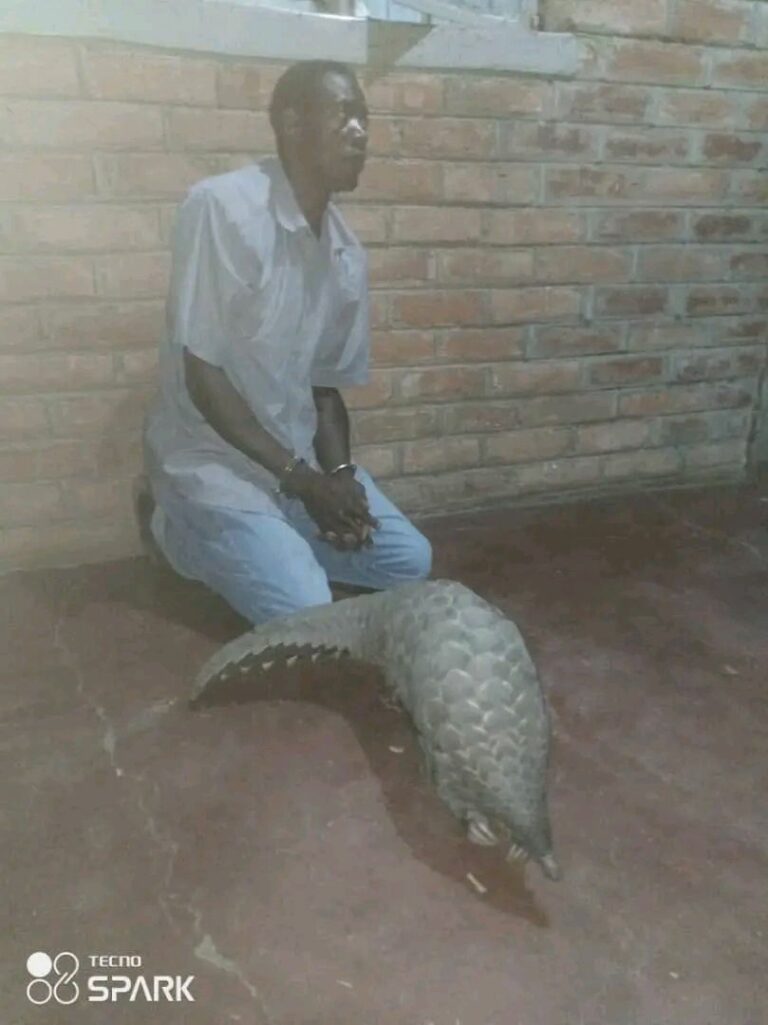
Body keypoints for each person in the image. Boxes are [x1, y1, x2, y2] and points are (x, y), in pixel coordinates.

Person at [141, 60, 432, 624]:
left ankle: (273, 540)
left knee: (408, 561)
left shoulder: (345, 255)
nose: (360, 132)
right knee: (306, 609)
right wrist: (305, 483)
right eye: (345, 113)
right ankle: (169, 525)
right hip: (212, 461)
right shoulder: (222, 208)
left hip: (293, 467)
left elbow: (324, 391)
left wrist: (341, 481)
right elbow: (203, 375)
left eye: (364, 118)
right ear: (293, 122)